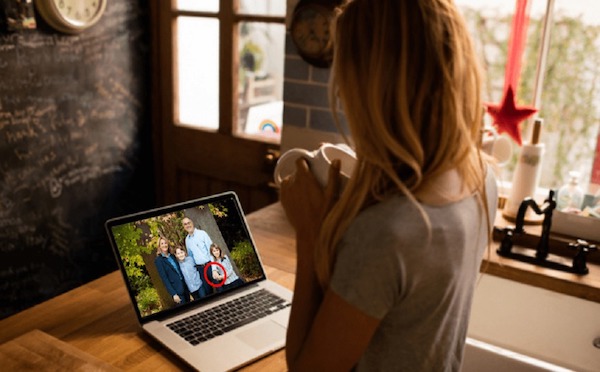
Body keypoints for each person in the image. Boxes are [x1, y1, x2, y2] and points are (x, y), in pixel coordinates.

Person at [279, 1, 498, 371]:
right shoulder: (482, 178)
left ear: (370, 88)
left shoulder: (388, 235)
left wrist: (309, 233)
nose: (343, 95)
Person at [182, 217, 214, 295]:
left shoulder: (202, 234)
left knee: (219, 287)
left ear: (192, 223)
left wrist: (214, 269)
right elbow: (190, 257)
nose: (187, 225)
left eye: (188, 223)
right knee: (208, 292)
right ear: (183, 227)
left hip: (210, 265)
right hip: (200, 269)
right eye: (185, 224)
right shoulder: (187, 240)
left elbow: (212, 251)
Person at [154, 237, 189, 306]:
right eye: (162, 243)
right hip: (176, 290)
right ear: (159, 246)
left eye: (165, 243)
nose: (164, 245)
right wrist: (173, 294)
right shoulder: (159, 260)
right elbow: (164, 279)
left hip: (184, 286)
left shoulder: (172, 256)